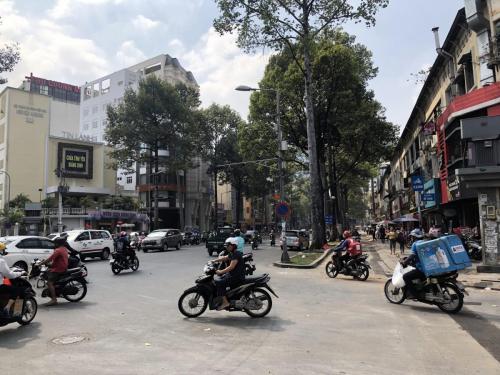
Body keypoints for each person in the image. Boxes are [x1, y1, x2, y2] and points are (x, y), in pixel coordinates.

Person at [212, 237, 246, 310]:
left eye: (228, 245)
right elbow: (225, 257)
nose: (226, 247)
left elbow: (231, 267)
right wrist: (214, 261)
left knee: (219, 283)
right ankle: (226, 297)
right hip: (232, 275)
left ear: (233, 245)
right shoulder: (233, 253)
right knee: (219, 279)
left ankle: (225, 302)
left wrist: (220, 271)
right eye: (226, 246)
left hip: (236, 276)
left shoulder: (236, 254)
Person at [40, 237, 69, 306]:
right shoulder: (64, 248)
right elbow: (55, 260)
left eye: (55, 243)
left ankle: (54, 299)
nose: (54, 244)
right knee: (48, 272)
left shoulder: (58, 250)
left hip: (59, 268)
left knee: (49, 282)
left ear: (58, 243)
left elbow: (51, 258)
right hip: (61, 267)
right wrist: (49, 264)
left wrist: (41, 263)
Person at [0, 242, 25, 316]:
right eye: (3, 250)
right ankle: (8, 308)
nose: (4, 252)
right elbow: (10, 275)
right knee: (18, 290)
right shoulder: (1, 261)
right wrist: (20, 273)